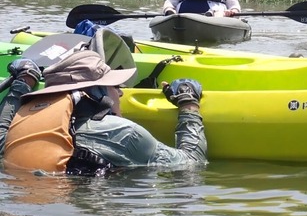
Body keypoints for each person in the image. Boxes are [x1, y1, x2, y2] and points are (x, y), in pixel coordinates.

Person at [0, 51, 208, 176]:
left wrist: (23, 84)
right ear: (98, 92)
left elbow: (2, 129)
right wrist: (188, 104)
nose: (120, 92)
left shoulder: (23, 124)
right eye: (115, 86)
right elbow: (191, 164)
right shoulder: (123, 134)